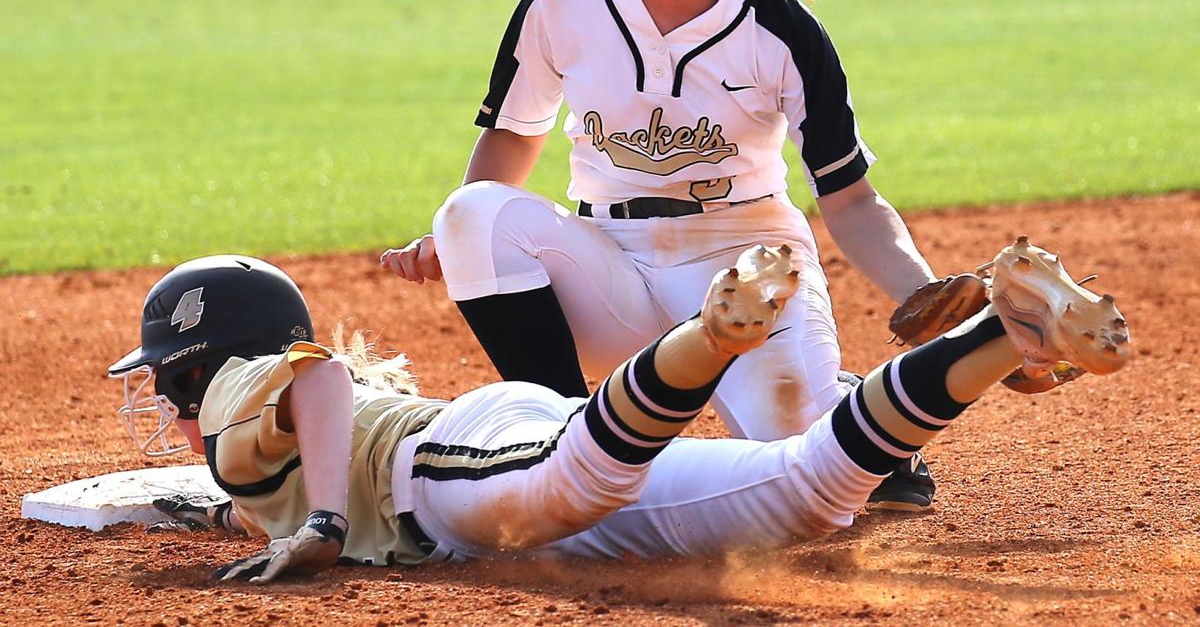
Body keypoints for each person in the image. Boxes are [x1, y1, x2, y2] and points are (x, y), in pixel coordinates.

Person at [382, 0, 944, 509]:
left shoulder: (780, 29)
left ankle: (839, 404)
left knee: (804, 481)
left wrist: (928, 298)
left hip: (743, 258)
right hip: (608, 264)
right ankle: (564, 448)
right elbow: (514, 132)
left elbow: (851, 199)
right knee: (469, 213)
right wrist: (456, 242)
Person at [109, 238, 1130, 582]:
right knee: (812, 491)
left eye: (165, 376)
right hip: (504, 476)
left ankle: (708, 337)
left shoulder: (241, 400)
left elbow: (322, 375)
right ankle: (1002, 330)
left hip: (450, 462)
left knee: (569, 471)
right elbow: (298, 438)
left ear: (204, 367)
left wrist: (326, 523)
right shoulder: (253, 464)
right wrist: (263, 515)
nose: (160, 397)